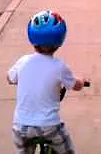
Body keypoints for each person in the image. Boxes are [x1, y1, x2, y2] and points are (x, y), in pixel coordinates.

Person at [7, 10, 87, 154]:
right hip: (49, 127)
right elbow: (76, 85)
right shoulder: (59, 67)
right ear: (59, 40)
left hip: (21, 127)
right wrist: (81, 81)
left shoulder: (23, 61)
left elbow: (9, 78)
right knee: (68, 150)